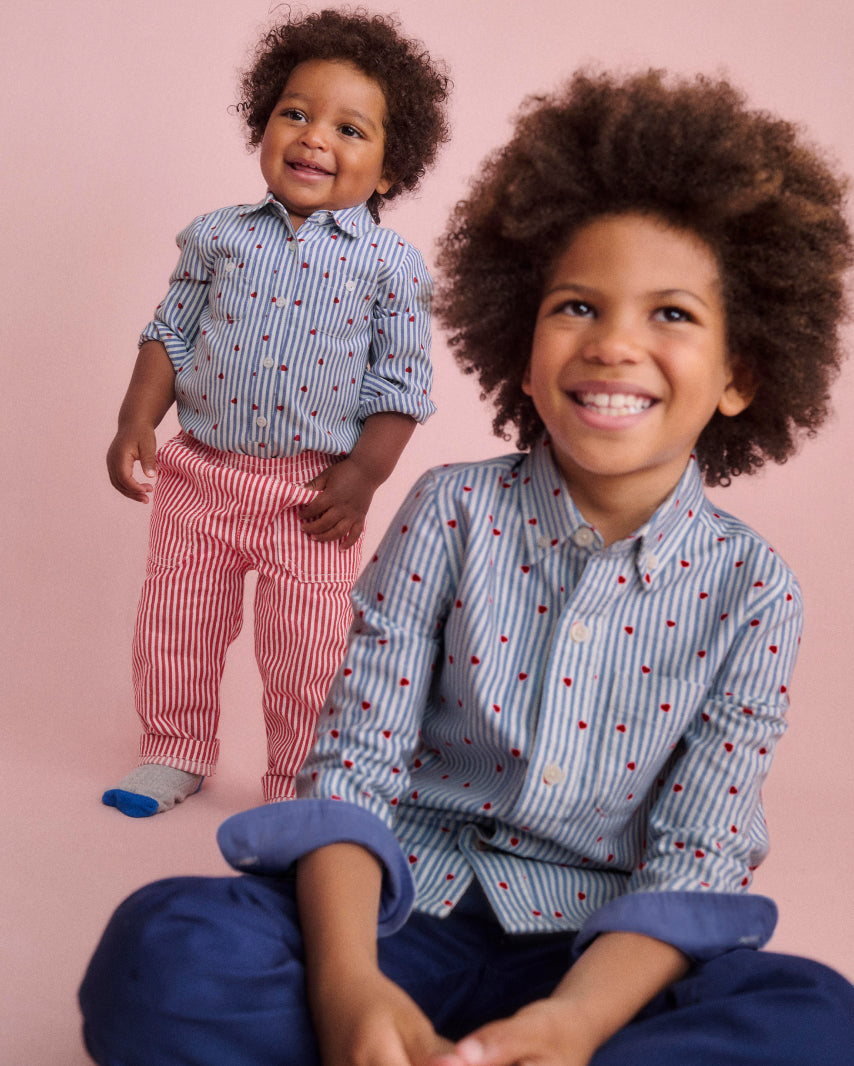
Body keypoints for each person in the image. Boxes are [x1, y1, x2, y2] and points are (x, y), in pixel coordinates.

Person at [81, 70, 854, 1064]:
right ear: (521, 353)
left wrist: (573, 1023)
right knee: (163, 952)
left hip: (594, 958)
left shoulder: (753, 592)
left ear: (741, 373)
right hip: (398, 914)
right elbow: (353, 756)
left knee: (816, 1020)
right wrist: (348, 985)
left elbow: (701, 849)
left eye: (670, 315)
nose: (615, 343)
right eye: (576, 305)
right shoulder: (449, 510)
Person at [101, 10, 450, 815]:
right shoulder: (217, 237)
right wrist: (135, 421)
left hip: (310, 495)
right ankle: (175, 749)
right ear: (263, 122)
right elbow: (169, 335)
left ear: (391, 169)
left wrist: (361, 479)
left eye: (349, 128)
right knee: (176, 626)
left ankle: (303, 781)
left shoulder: (391, 267)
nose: (313, 137)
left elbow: (399, 387)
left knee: (309, 650)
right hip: (200, 477)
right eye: (295, 112)